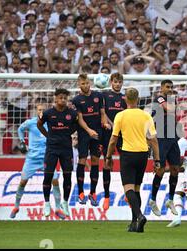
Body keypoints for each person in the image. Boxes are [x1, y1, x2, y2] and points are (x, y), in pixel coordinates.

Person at [104, 87, 160, 233]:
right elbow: (153, 140)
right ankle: (134, 223)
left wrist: (108, 157)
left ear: (125, 99)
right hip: (143, 155)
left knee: (128, 189)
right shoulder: (146, 116)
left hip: (128, 154)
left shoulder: (120, 116)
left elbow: (113, 139)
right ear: (138, 99)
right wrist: (157, 160)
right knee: (136, 189)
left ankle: (140, 216)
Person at [10, 104, 63, 219]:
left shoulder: (50, 123)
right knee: (23, 182)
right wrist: (22, 142)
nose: (41, 112)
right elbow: (20, 129)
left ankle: (58, 208)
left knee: (55, 181)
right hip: (32, 159)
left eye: (43, 110)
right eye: (39, 110)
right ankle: (16, 206)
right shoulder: (30, 122)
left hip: (47, 157)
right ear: (36, 111)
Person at [37, 88, 79, 217]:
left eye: (65, 98)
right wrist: (48, 135)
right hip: (52, 149)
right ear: (55, 98)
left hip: (66, 149)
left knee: (67, 176)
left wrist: (68, 133)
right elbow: (39, 124)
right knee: (48, 176)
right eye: (61, 97)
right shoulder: (48, 113)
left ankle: (65, 203)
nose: (63, 100)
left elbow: (77, 125)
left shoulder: (71, 113)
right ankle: (47, 203)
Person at [72, 74, 110, 206]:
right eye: (83, 84)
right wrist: (89, 131)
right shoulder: (76, 100)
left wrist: (104, 123)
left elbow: (103, 113)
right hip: (84, 134)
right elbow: (80, 119)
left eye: (87, 83)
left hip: (98, 134)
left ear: (90, 83)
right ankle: (81, 192)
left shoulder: (98, 96)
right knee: (82, 160)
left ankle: (93, 192)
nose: (86, 86)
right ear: (79, 85)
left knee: (95, 161)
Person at [149, 80, 181, 216]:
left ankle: (171, 200)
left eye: (171, 87)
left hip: (172, 138)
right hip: (161, 139)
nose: (169, 89)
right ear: (162, 87)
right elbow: (169, 109)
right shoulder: (159, 98)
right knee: (160, 171)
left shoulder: (172, 100)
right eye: (167, 87)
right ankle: (153, 200)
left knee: (175, 169)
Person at [100, 73, 127, 210]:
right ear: (111, 82)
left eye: (120, 82)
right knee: (107, 163)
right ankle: (106, 196)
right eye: (115, 82)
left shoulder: (125, 97)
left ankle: (127, 193)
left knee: (125, 163)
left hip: (122, 134)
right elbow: (102, 112)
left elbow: (128, 115)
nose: (117, 84)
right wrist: (109, 123)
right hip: (107, 134)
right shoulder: (104, 95)